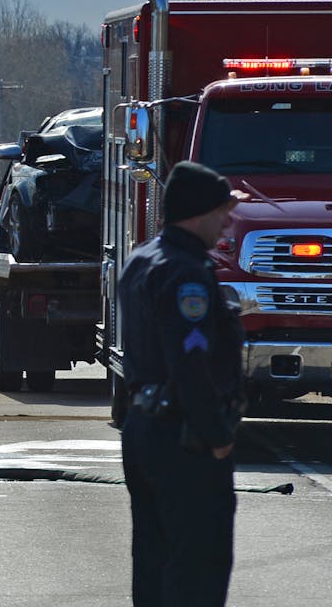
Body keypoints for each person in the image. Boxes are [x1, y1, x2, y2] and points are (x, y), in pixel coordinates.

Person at [118, 161, 245, 607]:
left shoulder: (141, 260)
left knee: (153, 562)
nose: (228, 219)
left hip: (142, 428)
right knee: (198, 569)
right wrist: (218, 437)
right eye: (222, 210)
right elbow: (190, 363)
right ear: (196, 212)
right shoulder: (185, 272)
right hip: (183, 437)